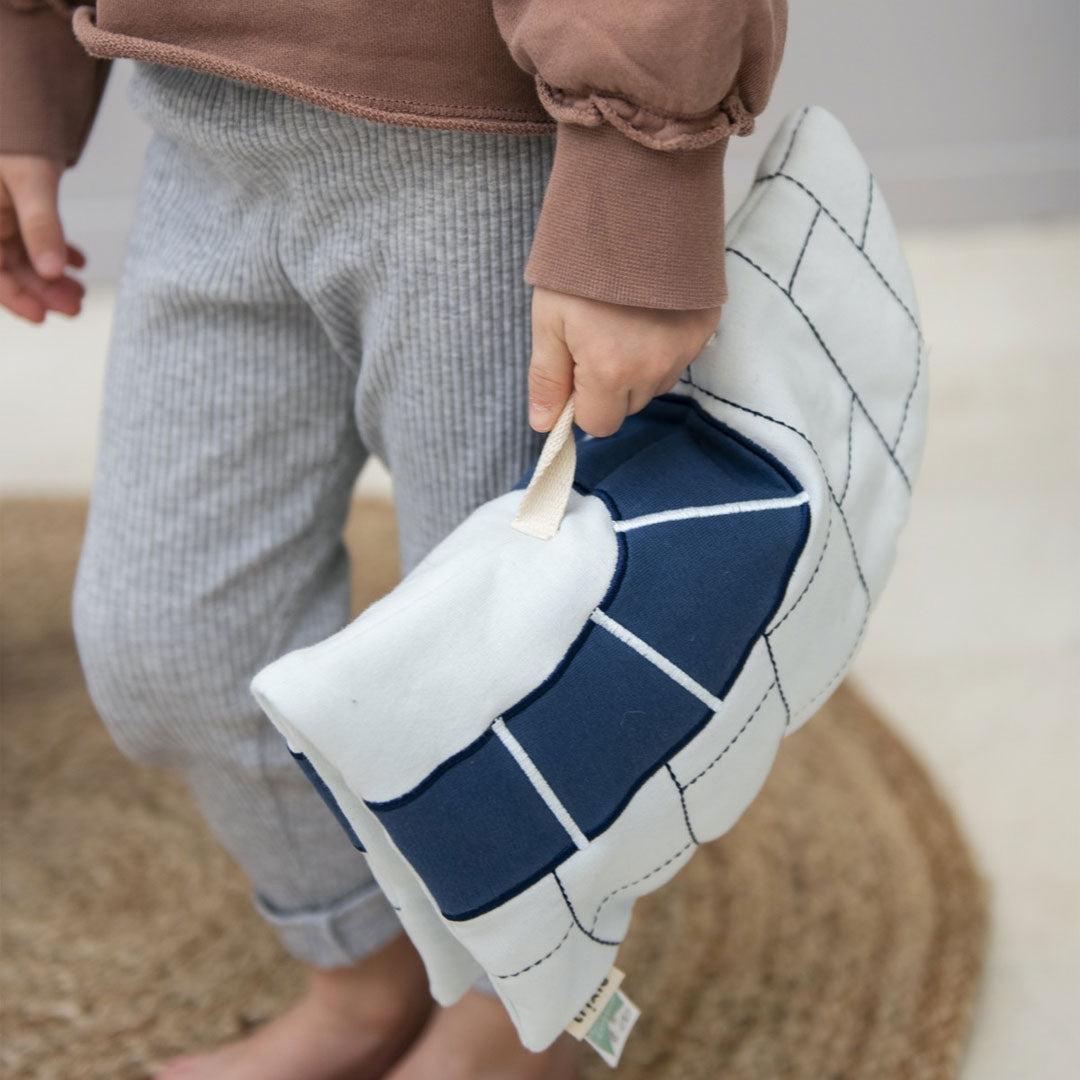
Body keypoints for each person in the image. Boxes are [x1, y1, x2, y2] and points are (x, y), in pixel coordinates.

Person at [0, 2, 786, 1077]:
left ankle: (512, 1021)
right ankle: (365, 975)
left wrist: (635, 181)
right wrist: (26, 66)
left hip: (484, 146)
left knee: (509, 671)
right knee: (170, 647)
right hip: (195, 117)